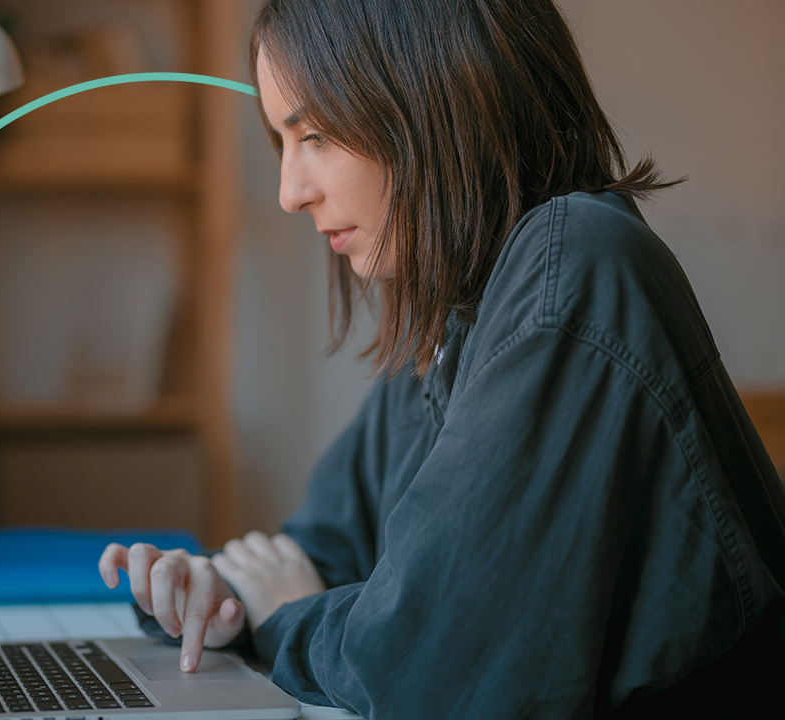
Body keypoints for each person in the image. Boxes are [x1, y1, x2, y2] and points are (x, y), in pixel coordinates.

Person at [98, 0, 785, 717]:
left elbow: (430, 675)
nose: (289, 193)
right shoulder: (455, 311)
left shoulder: (571, 270)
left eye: (318, 136)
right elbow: (323, 547)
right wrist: (224, 596)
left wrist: (286, 618)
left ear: (431, 97)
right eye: (282, 143)